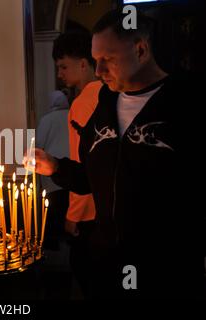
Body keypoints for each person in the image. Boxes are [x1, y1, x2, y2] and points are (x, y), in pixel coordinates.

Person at [26, 10, 204, 299]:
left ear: (141, 50)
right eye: (95, 61)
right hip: (107, 262)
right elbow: (94, 176)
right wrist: (55, 166)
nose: (98, 71)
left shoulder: (186, 102)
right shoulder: (104, 104)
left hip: (166, 269)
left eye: (107, 60)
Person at [51, 32, 102, 297]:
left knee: (86, 277)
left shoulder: (83, 103)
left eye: (64, 66)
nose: (60, 73)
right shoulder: (110, 93)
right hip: (110, 208)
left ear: (84, 63)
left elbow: (82, 164)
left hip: (90, 214)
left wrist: (74, 216)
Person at [36, 90, 70, 250]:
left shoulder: (47, 119)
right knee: (70, 211)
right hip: (73, 172)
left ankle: (54, 251)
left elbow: (39, 146)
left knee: (54, 214)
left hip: (52, 174)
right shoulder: (73, 114)